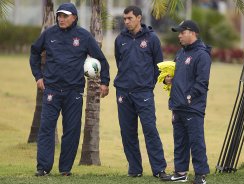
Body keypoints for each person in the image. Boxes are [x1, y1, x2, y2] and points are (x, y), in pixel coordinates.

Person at [29, 3, 110, 176]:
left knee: (72, 131)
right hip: (51, 91)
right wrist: (38, 76)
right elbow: (35, 52)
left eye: (65, 16)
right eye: (59, 15)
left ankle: (65, 169)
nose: (61, 19)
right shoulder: (49, 34)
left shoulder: (84, 36)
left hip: (74, 93)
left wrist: (105, 82)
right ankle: (43, 167)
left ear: (74, 17)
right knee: (46, 129)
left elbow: (101, 60)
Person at [114, 6, 168, 179]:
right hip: (123, 93)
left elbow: (158, 66)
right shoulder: (119, 39)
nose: (126, 21)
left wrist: (148, 84)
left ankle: (159, 169)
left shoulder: (152, 39)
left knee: (150, 130)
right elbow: (119, 62)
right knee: (127, 132)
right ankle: (135, 169)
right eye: (125, 19)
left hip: (143, 93)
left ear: (139, 18)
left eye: (129, 18)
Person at [162, 20, 211, 184]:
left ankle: (200, 176)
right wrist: (167, 80)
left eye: (182, 32)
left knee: (196, 142)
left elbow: (202, 83)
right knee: (180, 141)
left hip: (192, 107)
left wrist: (189, 97)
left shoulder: (202, 55)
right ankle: (180, 173)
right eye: (179, 33)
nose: (180, 36)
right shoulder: (181, 53)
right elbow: (177, 76)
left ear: (192, 32)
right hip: (177, 106)